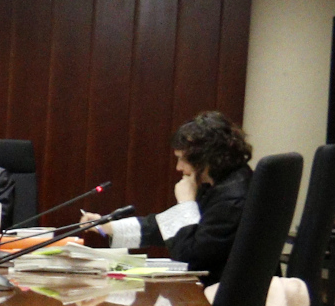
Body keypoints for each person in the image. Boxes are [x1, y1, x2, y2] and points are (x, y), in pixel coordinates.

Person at [83, 111, 254, 284]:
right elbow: (168, 227)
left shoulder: (232, 199)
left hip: (218, 291)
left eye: (182, 159)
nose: (178, 167)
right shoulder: (220, 182)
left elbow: (190, 259)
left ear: (204, 158)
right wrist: (108, 227)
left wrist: (186, 204)